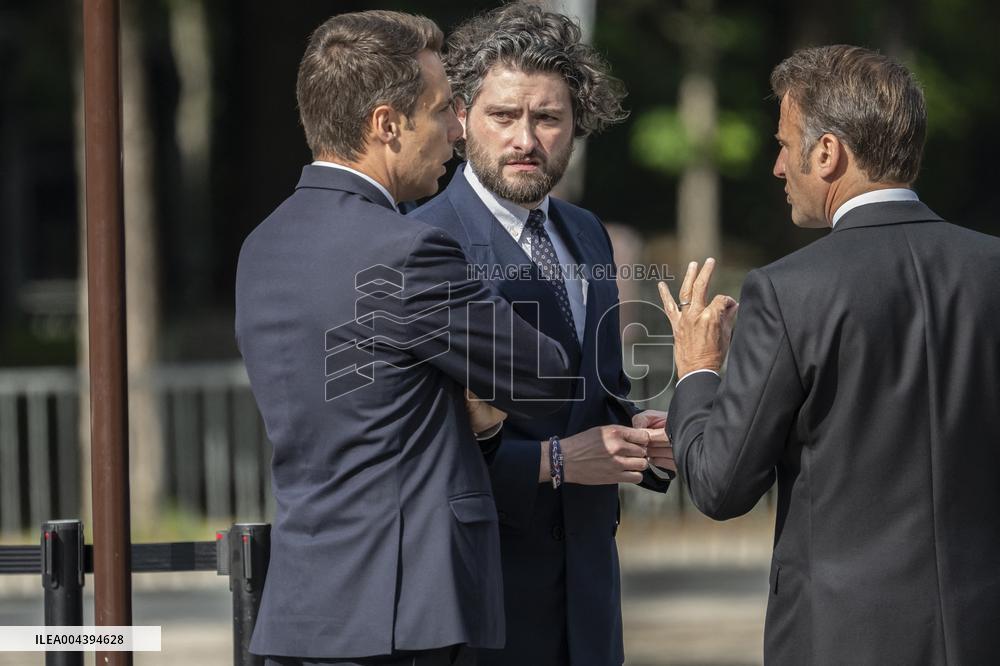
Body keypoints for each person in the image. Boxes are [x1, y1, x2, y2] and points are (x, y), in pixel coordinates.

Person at [235, 11, 580, 666]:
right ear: (387, 125)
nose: (457, 128)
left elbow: (364, 407)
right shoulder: (405, 250)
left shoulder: (264, 245)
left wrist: (465, 414)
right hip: (404, 615)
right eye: (442, 110)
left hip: (303, 607)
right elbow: (546, 378)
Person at [659, 45, 1000, 665]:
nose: (776, 167)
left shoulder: (790, 289)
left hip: (841, 638)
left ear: (827, 153)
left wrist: (699, 373)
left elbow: (720, 484)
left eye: (785, 146)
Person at [411, 5, 674, 665]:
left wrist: (642, 438)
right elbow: (414, 444)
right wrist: (554, 463)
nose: (525, 138)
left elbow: (595, 396)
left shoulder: (587, 233)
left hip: (589, 594)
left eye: (547, 118)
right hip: (478, 596)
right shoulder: (423, 241)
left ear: (577, 125)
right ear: (462, 116)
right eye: (504, 115)